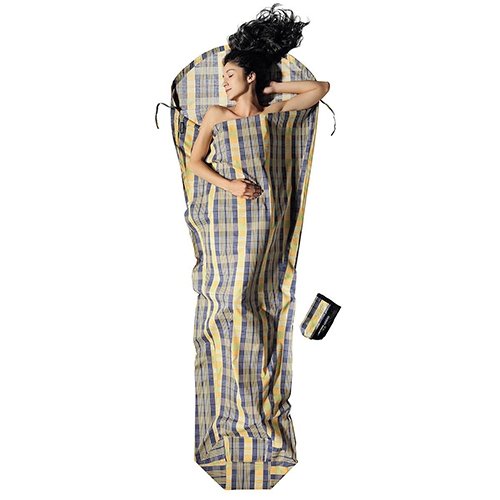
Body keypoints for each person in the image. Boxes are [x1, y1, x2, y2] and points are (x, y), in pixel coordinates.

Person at [188, 3, 330, 200]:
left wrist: (274, 87)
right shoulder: (217, 114)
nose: (225, 82)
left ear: (250, 76)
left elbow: (321, 88)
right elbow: (194, 162)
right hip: (227, 200)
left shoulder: (271, 113)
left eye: (230, 75)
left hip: (267, 202)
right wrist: (230, 186)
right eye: (223, 77)